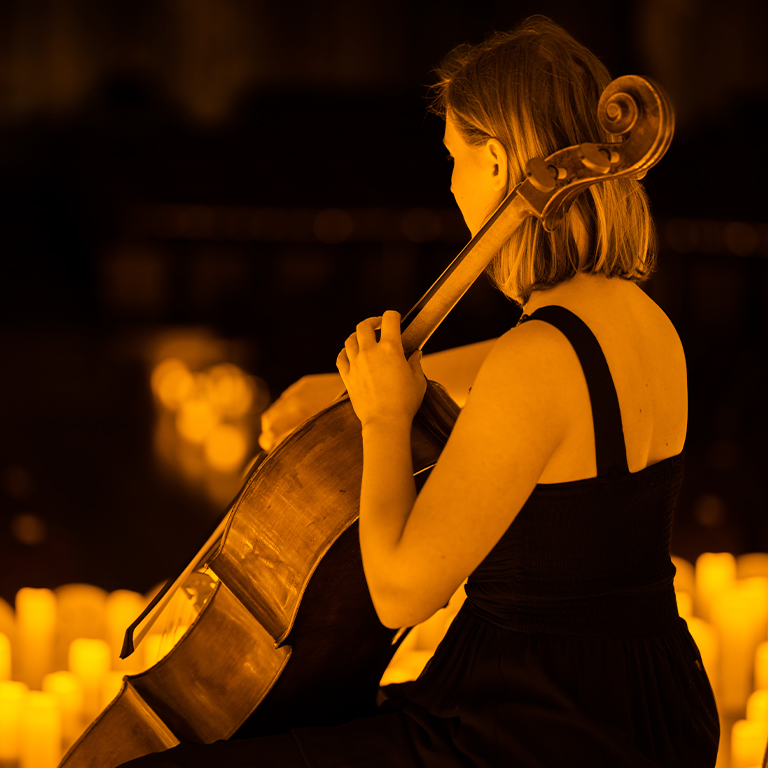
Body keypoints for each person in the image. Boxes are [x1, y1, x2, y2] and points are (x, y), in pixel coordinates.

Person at [121, 15, 719, 767]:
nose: (450, 184)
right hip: (645, 702)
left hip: (529, 728)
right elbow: (542, 378)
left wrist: (382, 416)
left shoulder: (535, 357)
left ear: (499, 163)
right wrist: (345, 390)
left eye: (455, 158)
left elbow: (400, 593)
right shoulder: (642, 319)